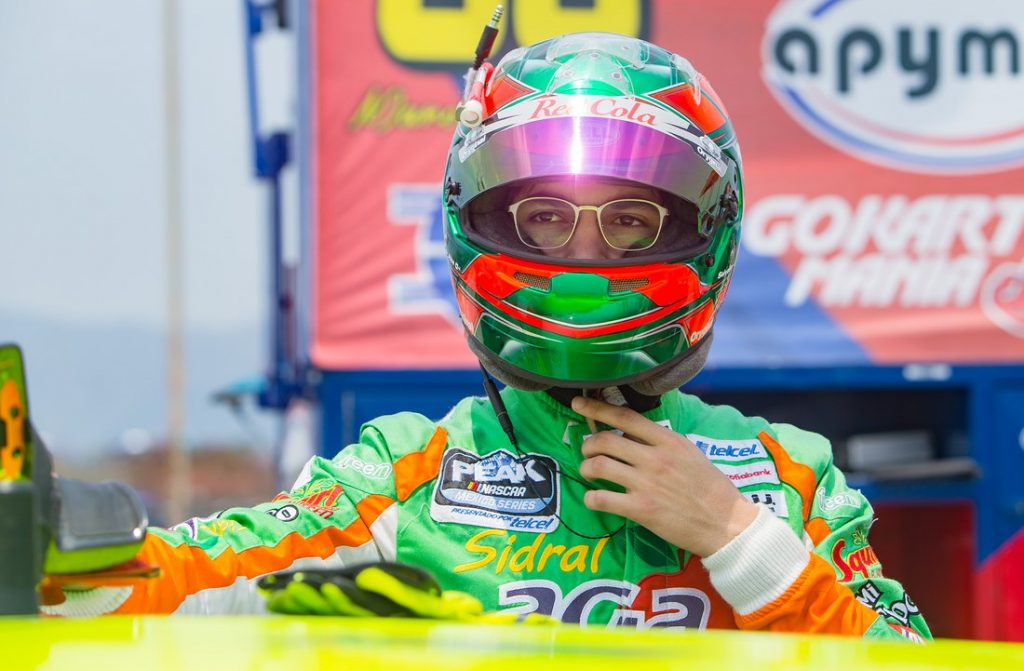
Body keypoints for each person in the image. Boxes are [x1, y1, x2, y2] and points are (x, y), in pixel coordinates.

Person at [43, 32, 929, 640]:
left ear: (705, 233)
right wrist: (45, 536)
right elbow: (168, 580)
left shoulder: (784, 476)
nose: (584, 261)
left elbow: (907, 660)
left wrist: (735, 535)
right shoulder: (402, 475)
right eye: (545, 218)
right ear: (483, 222)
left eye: (629, 222)